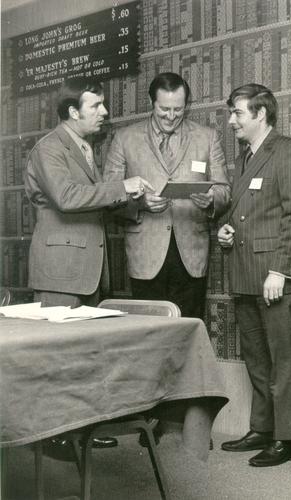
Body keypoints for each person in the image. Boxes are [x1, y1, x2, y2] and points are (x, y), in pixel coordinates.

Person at [25, 76, 152, 450]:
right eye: (96, 105)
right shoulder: (48, 148)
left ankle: (78, 430)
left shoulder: (83, 147)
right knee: (58, 358)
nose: (104, 112)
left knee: (83, 357)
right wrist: (122, 187)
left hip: (86, 270)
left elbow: (92, 203)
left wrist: (136, 204)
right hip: (61, 272)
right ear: (72, 111)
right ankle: (53, 435)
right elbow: (66, 197)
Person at [218, 84, 291, 466]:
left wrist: (280, 270)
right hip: (244, 275)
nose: (231, 122)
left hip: (275, 277)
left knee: (282, 360)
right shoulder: (246, 156)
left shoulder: (288, 150)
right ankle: (263, 428)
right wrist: (226, 229)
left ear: (261, 115)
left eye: (238, 114)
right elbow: (249, 212)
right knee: (257, 358)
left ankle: (286, 438)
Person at [103, 72, 231, 319]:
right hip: (146, 256)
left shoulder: (207, 137)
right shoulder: (125, 138)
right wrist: (139, 204)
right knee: (149, 333)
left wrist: (212, 198)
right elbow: (109, 195)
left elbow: (224, 190)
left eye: (178, 110)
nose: (171, 117)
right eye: (164, 110)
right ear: (152, 103)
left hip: (191, 256)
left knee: (188, 330)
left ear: (187, 105)